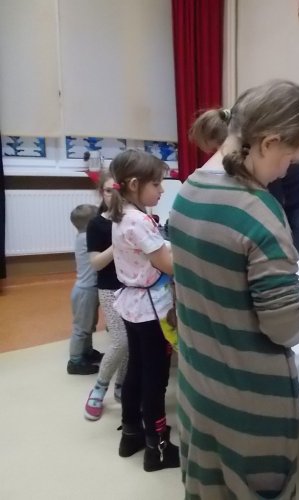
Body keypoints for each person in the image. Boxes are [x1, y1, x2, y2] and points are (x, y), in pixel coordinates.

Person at [173, 79, 299, 499]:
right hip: (248, 401)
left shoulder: (188, 191)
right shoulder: (259, 211)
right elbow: (282, 328)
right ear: (268, 143)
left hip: (198, 385)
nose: (285, 172)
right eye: (290, 160)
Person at [109, 149, 179, 472]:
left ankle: (132, 434)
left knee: (137, 369)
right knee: (156, 378)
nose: (162, 190)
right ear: (135, 184)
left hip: (132, 306)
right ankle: (158, 448)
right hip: (151, 310)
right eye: (156, 184)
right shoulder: (139, 221)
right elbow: (167, 264)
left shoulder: (122, 214)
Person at [82, 171, 129, 421]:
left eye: (117, 190)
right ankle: (99, 388)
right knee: (121, 341)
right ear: (102, 193)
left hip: (133, 288)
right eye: (108, 190)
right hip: (110, 288)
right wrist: (117, 244)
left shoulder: (131, 219)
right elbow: (96, 263)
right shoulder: (96, 224)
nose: (113, 195)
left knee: (132, 341)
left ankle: (122, 384)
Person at [66, 204, 103, 375]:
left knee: (89, 325)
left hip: (88, 290)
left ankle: (86, 352)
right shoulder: (86, 238)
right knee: (81, 328)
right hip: (85, 291)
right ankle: (75, 361)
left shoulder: (83, 235)